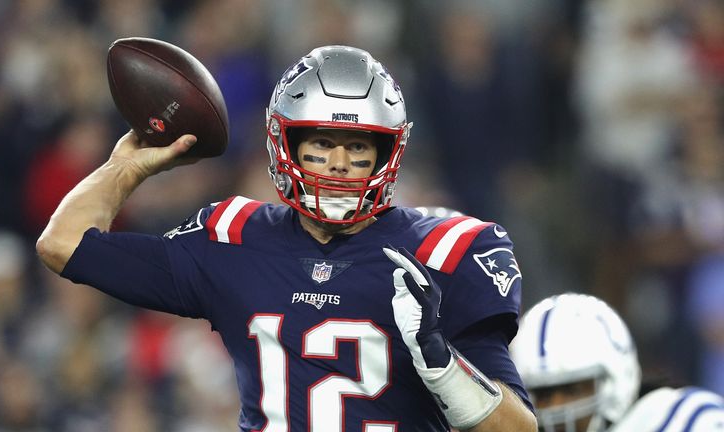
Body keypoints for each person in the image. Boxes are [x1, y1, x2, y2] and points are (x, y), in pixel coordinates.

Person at [36, 45, 536, 431]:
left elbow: (517, 427)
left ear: (388, 153)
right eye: (321, 142)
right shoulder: (232, 238)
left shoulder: (446, 251)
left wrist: (439, 361)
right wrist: (125, 167)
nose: (340, 162)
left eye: (359, 146)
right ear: (285, 142)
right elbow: (63, 243)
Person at [510, 293, 724, 431]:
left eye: (572, 390)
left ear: (617, 381)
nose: (557, 408)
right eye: (544, 395)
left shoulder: (683, 421)